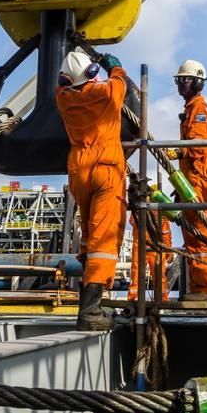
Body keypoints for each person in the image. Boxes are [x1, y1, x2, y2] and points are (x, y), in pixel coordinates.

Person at [56, 49, 127, 331]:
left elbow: (68, 84)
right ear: (92, 74)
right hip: (105, 168)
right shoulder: (107, 94)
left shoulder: (62, 99)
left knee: (88, 236)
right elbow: (121, 82)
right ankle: (91, 311)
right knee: (104, 242)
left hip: (78, 171)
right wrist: (115, 65)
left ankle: (88, 302)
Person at [169, 59, 207, 301]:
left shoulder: (199, 109)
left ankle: (205, 288)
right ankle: (200, 286)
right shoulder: (191, 109)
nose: (180, 85)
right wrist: (180, 188)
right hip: (192, 179)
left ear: (198, 82)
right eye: (179, 80)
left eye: (185, 80)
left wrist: (180, 152)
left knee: (200, 235)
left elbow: (197, 148)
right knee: (192, 236)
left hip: (199, 180)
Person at [128, 210, 173, 301]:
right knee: (136, 274)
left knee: (159, 275)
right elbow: (133, 222)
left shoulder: (161, 211)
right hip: (141, 247)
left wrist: (168, 249)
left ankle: (162, 299)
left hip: (156, 248)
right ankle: (133, 298)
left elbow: (166, 232)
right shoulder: (138, 208)